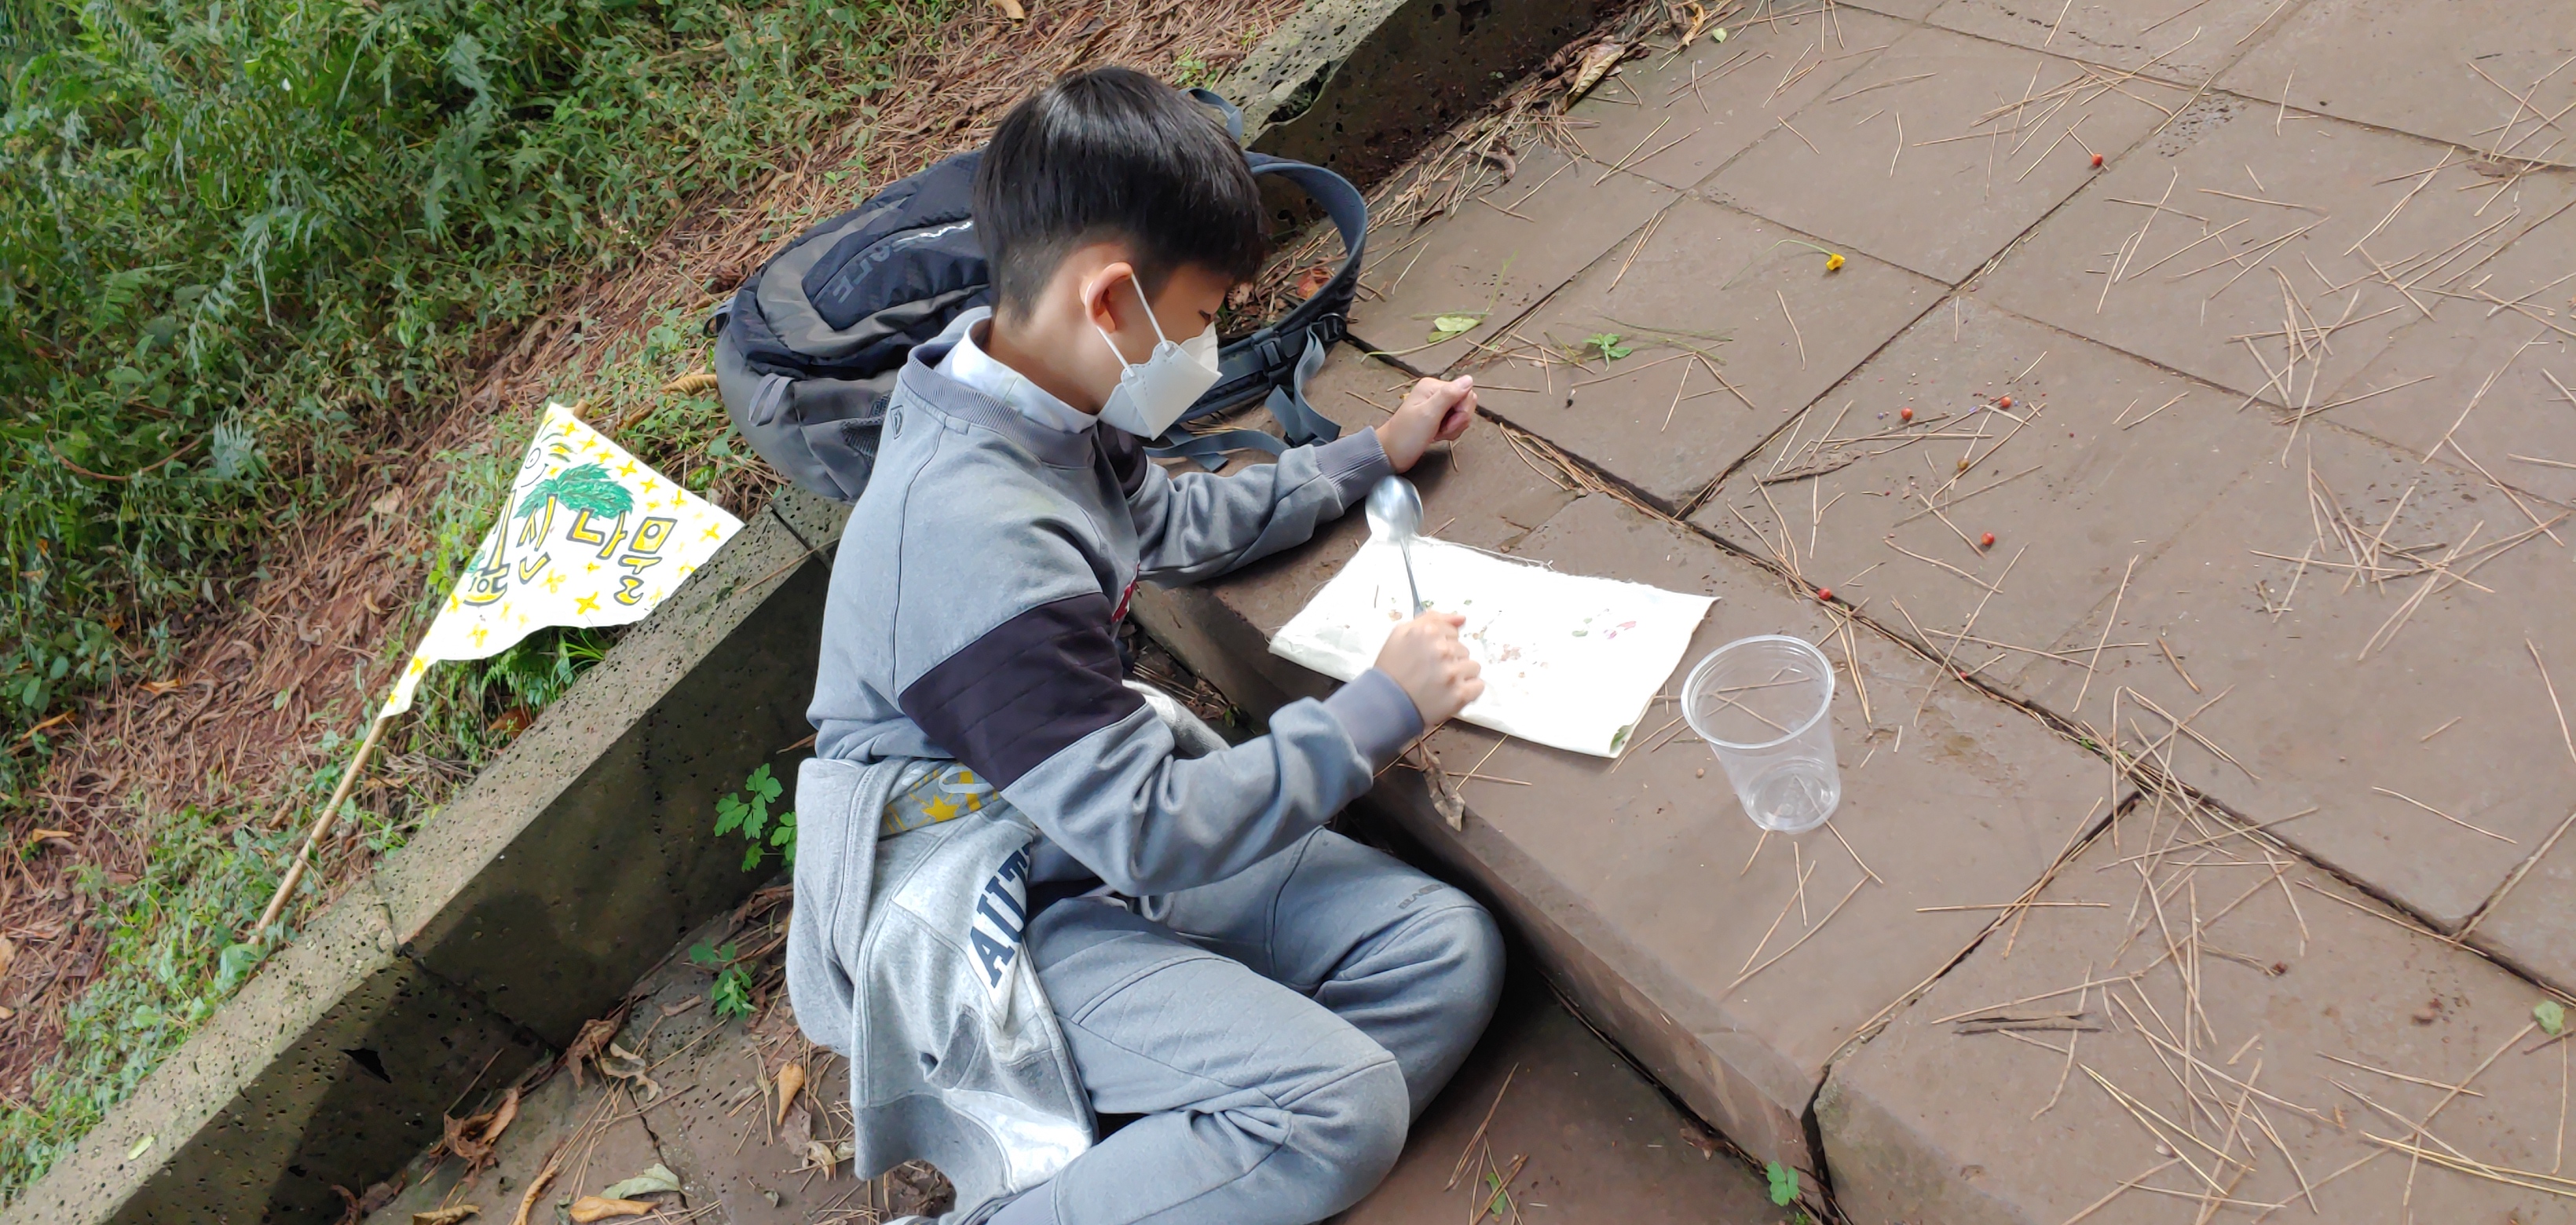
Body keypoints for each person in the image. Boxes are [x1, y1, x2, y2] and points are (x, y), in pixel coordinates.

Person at [785, 66, 1505, 1225]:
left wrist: (1373, 452)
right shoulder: (973, 546)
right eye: (1208, 314)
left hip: (1077, 837)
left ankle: (1193, 1147)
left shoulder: (1040, 396)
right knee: (1341, 1106)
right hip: (993, 910)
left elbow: (1171, 521)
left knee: (1443, 950)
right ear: (1113, 299)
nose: (1213, 343)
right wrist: (1376, 712)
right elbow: (1148, 828)